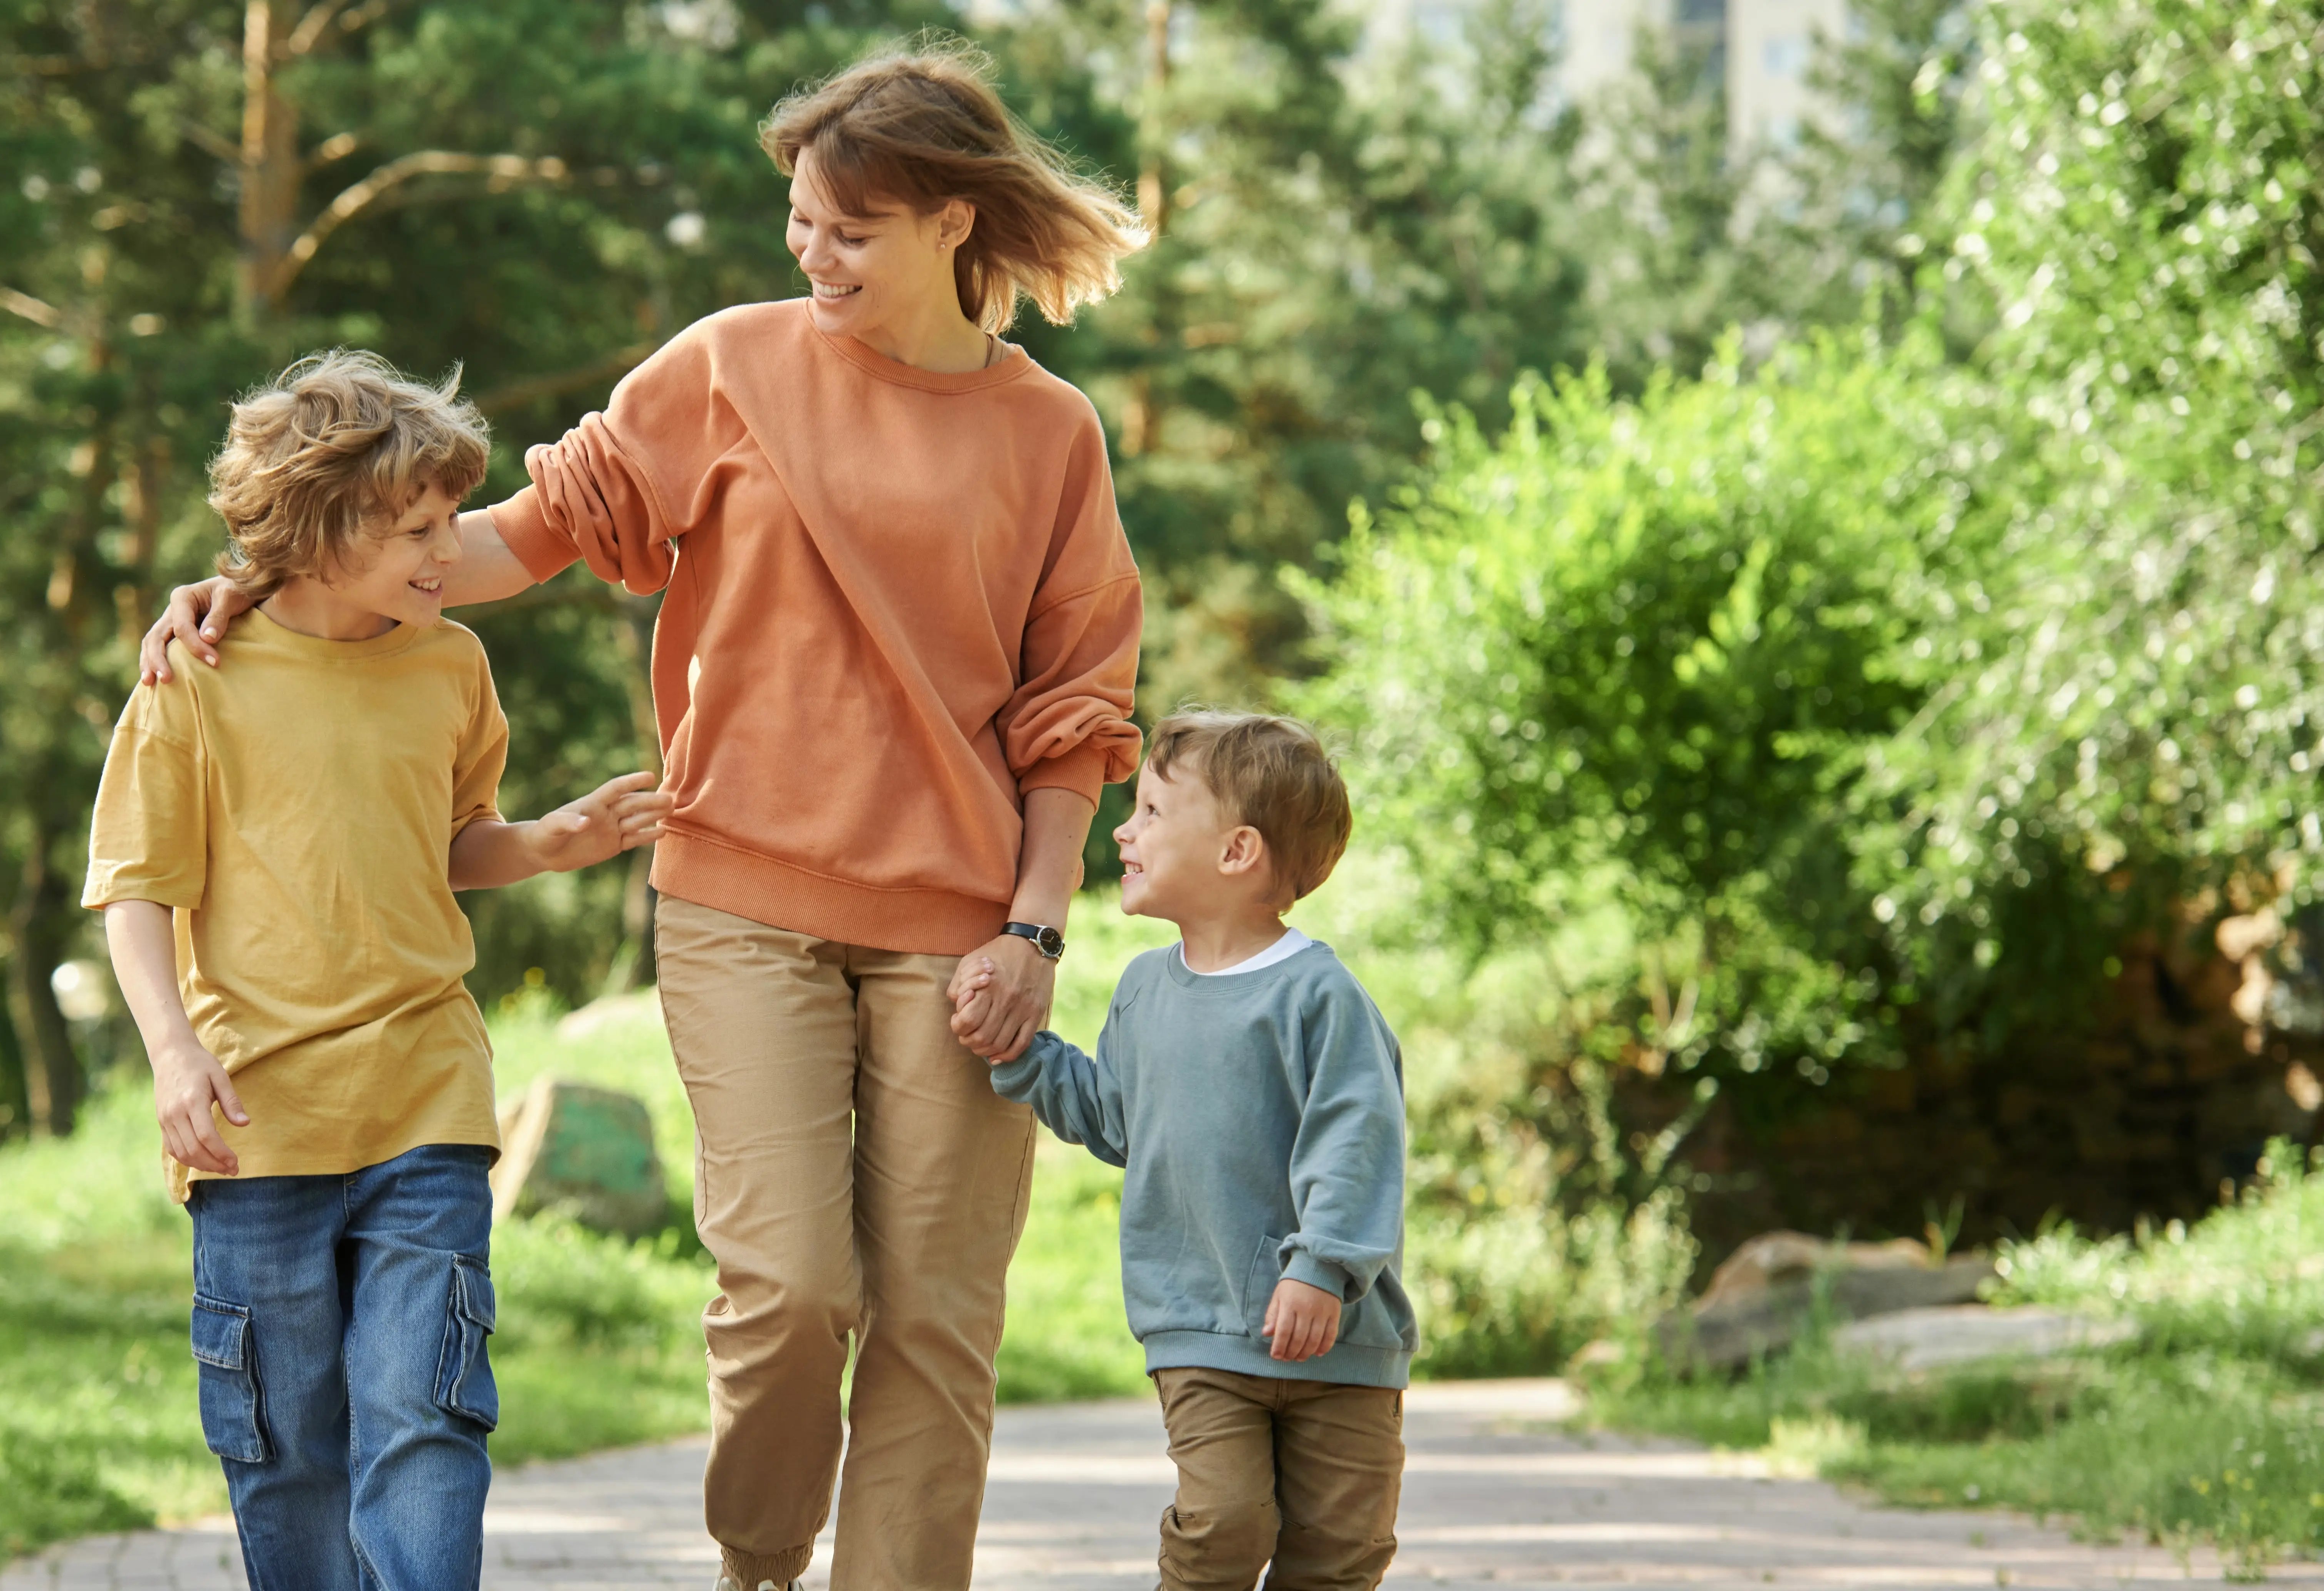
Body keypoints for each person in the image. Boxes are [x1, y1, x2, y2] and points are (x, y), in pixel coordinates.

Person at [138, 44, 1150, 1591]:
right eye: (798, 220)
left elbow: (1073, 715)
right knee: (792, 1289)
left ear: (954, 222)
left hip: (960, 931)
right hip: (744, 897)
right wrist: (275, 586)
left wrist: (1036, 926)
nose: (810, 255)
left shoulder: (1050, 436)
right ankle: (758, 1564)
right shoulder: (730, 365)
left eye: (849, 232)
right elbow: (510, 543)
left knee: (940, 1320)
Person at [84, 349, 673, 1589]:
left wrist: (553, 842)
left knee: (424, 1423)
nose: (448, 549)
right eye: (418, 526)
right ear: (318, 527)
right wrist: (172, 1053)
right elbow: (138, 891)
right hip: (259, 1125)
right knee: (286, 1450)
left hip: (427, 1101)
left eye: (451, 519)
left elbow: (451, 845)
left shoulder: (450, 664)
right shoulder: (195, 678)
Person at [963, 711, 1414, 1590]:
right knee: (1222, 1524)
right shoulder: (1143, 992)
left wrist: (1321, 1268)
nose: (1123, 830)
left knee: (1343, 1548)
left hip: (1342, 1342)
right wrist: (1023, 1055)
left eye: (1154, 812)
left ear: (1237, 851)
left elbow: (1360, 1139)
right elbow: (1114, 1118)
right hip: (1199, 1330)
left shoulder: (1319, 995)